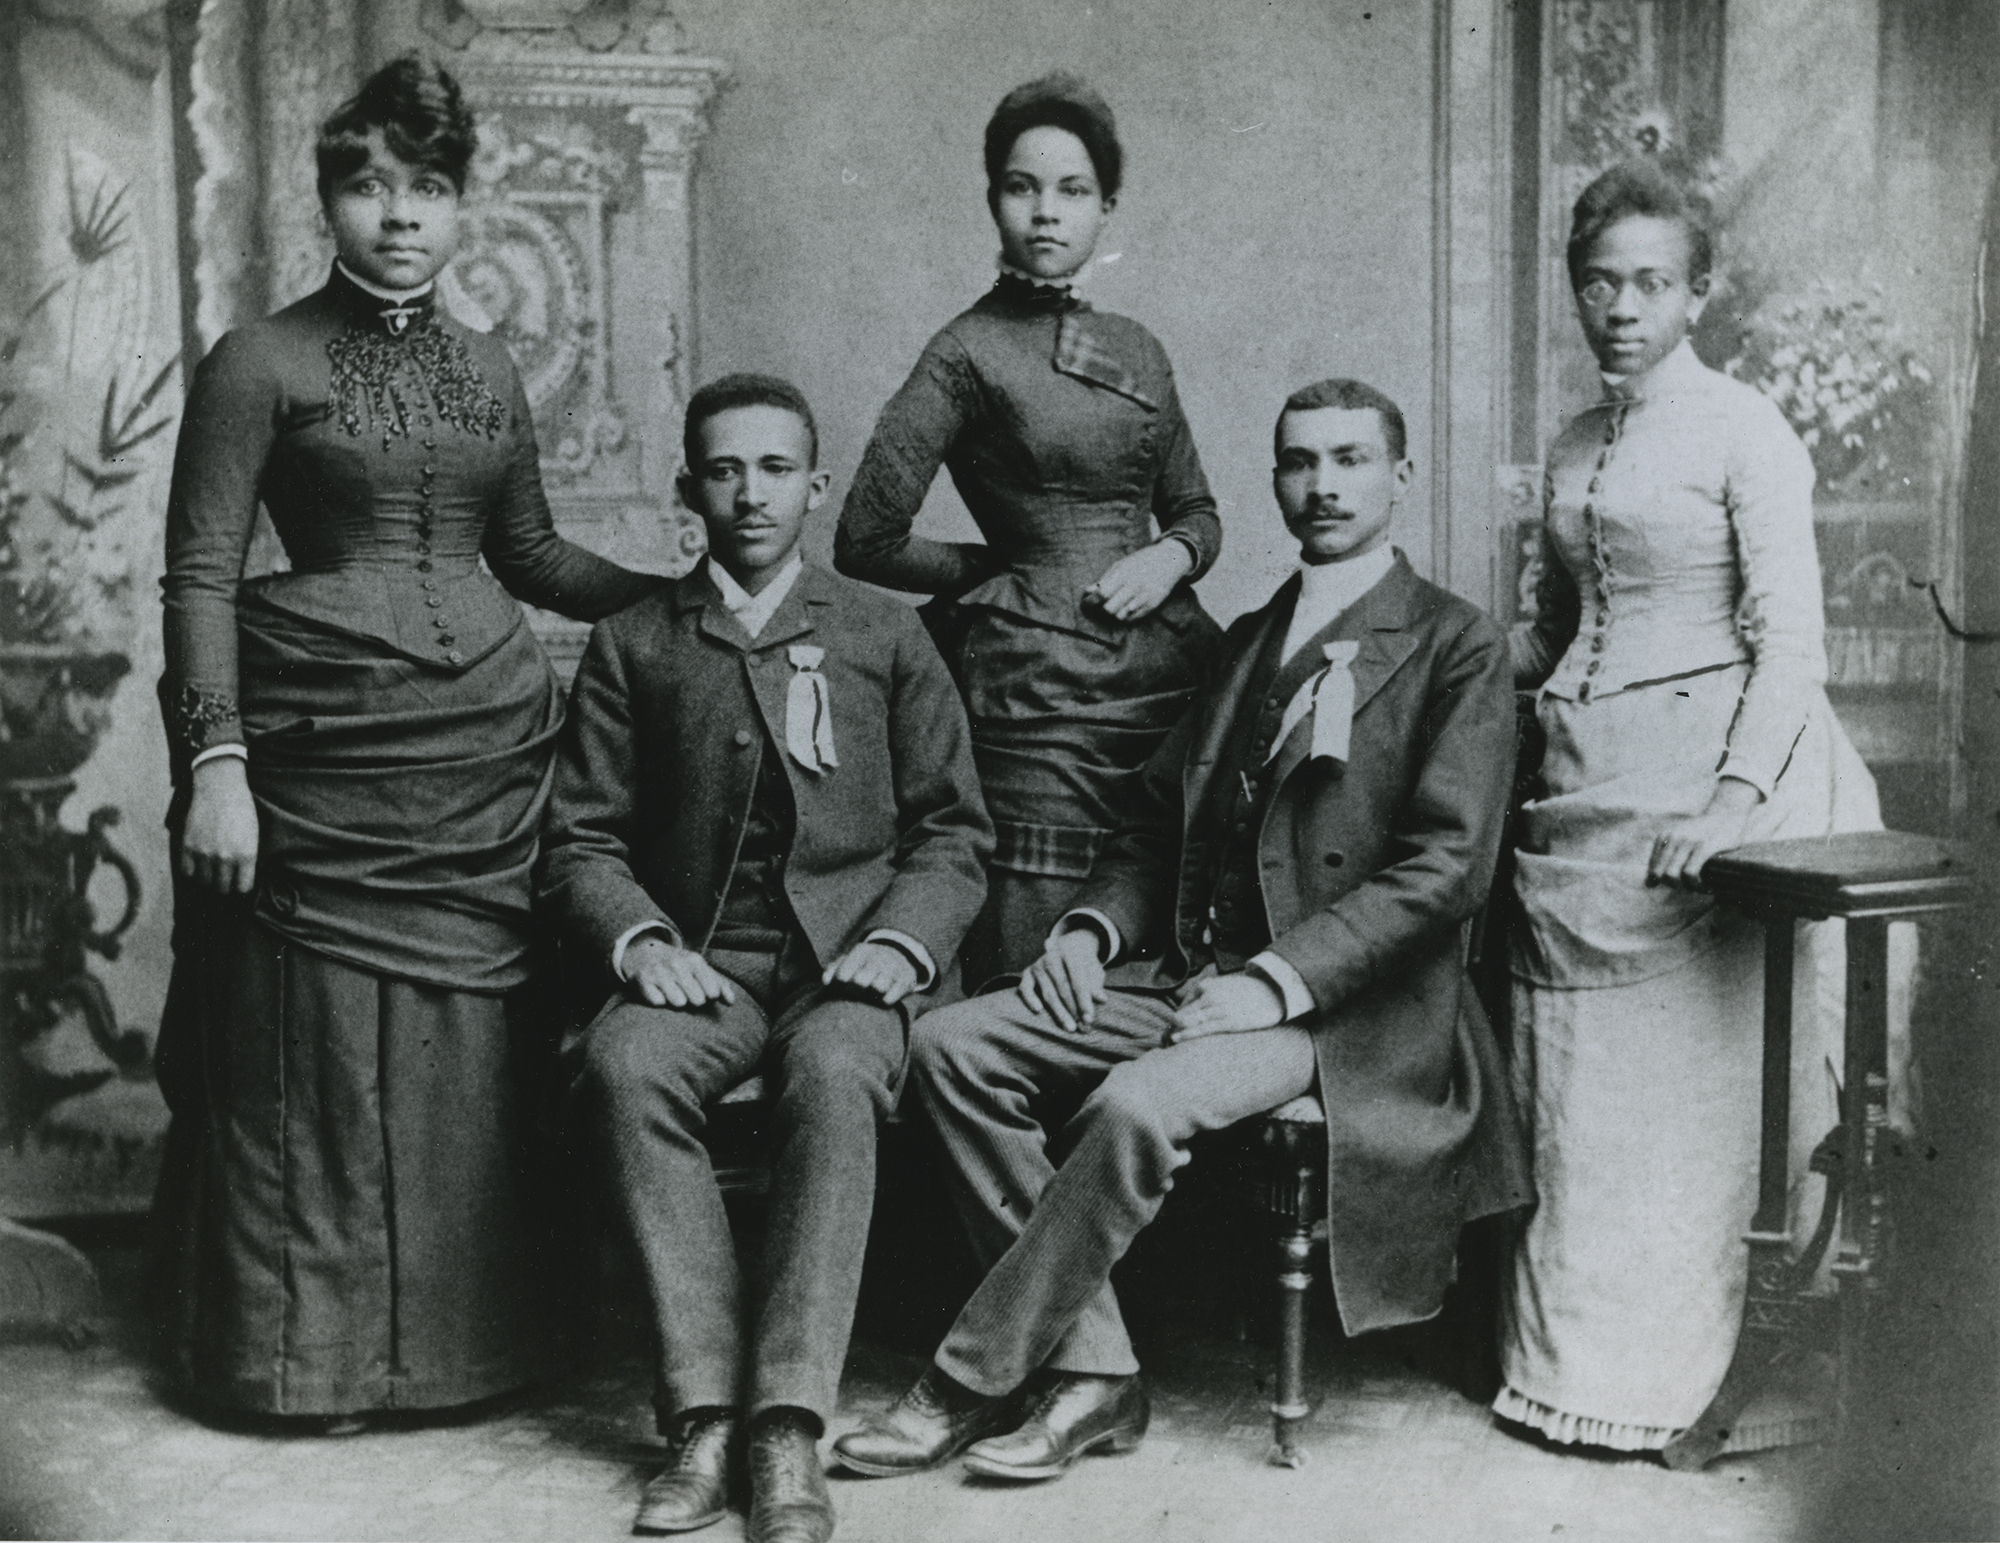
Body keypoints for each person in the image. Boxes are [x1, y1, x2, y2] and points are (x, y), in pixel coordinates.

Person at [833, 379, 1531, 1483]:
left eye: (1350, 460)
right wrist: (1086, 934)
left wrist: (1271, 984)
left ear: (1399, 477)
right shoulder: (1248, 640)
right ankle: (1097, 1369)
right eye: (1299, 462)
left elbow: (1444, 872)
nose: (1322, 484)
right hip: (1189, 975)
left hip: (1346, 1016)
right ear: (1272, 482)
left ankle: (965, 1378)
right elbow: (1153, 830)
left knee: (1133, 1101)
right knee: (947, 1048)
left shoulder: (1455, 645)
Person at [149, 55, 664, 1425]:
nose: (398, 216)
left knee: (458, 1076)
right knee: (310, 1069)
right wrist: (217, 764)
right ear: (328, 199)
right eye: (368, 185)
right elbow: (198, 576)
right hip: (311, 760)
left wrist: (678, 592)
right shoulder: (258, 358)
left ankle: (466, 1353)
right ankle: (301, 1365)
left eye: (428, 189)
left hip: (481, 751)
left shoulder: (491, 364)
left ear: (461, 208)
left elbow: (533, 554)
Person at [539, 375, 991, 1542]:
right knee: (627, 1066)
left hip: (851, 963)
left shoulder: (886, 633)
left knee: (835, 1077)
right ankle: (700, 1416)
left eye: (776, 468)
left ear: (816, 485)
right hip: (704, 962)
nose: (751, 493)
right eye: (725, 470)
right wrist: (640, 944)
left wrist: (900, 944)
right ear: (690, 490)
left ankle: (787, 1422)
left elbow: (953, 832)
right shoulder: (635, 640)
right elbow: (578, 837)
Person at [1494, 161, 1897, 1455]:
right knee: (1584, 1099)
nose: (1623, 306)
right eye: (1601, 281)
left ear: (1699, 290)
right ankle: (1564, 1365)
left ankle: (1672, 1379)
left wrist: (1730, 800)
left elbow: (1792, 646)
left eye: (1652, 281)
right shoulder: (1568, 442)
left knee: (1681, 1097)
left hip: (1719, 768)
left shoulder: (1744, 427)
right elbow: (1552, 625)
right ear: (1577, 287)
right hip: (1584, 773)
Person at [835, 73, 1223, 986]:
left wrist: (1171, 555)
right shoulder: (965, 349)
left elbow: (1199, 512)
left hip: (1170, 670)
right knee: (1035, 975)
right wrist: (1006, 569)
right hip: (1035, 695)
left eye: (1072, 190)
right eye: (1022, 187)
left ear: (1107, 208)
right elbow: (866, 536)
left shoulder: (1139, 346)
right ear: (993, 201)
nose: (1045, 213)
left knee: (1167, 926)